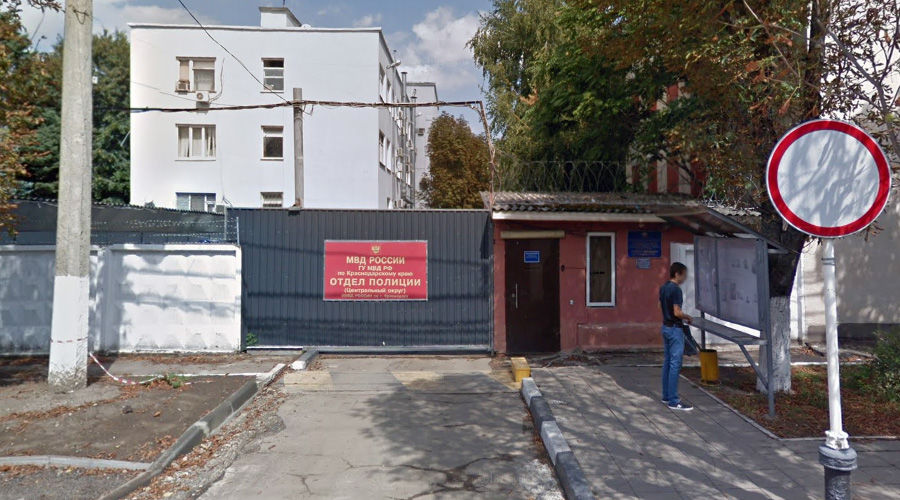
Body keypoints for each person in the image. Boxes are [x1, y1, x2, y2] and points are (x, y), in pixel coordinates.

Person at [659, 262, 693, 411]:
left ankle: (666, 395)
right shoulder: (676, 290)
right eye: (684, 275)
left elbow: (660, 306)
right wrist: (688, 317)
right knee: (675, 364)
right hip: (675, 329)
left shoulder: (663, 287)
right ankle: (674, 400)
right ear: (677, 274)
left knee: (667, 362)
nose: (685, 278)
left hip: (666, 327)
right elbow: (677, 312)